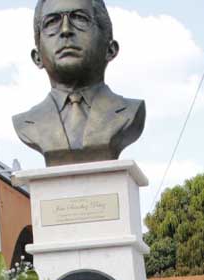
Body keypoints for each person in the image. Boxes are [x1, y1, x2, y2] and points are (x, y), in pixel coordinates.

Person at [12, 0, 145, 166]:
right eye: (52, 22)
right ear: (37, 57)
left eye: (80, 18)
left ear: (110, 49)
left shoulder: (129, 113)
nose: (66, 30)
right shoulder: (27, 123)